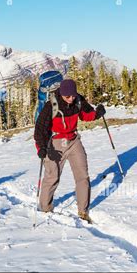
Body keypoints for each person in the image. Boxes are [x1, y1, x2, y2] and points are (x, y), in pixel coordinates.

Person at [33, 78, 106, 222]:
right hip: (54, 143)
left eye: (73, 95)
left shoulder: (78, 100)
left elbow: (86, 115)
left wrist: (98, 113)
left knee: (82, 176)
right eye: (68, 96)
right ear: (61, 94)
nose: (71, 99)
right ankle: (45, 209)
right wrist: (41, 148)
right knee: (52, 177)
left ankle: (83, 211)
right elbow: (40, 129)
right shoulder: (51, 105)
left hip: (73, 140)